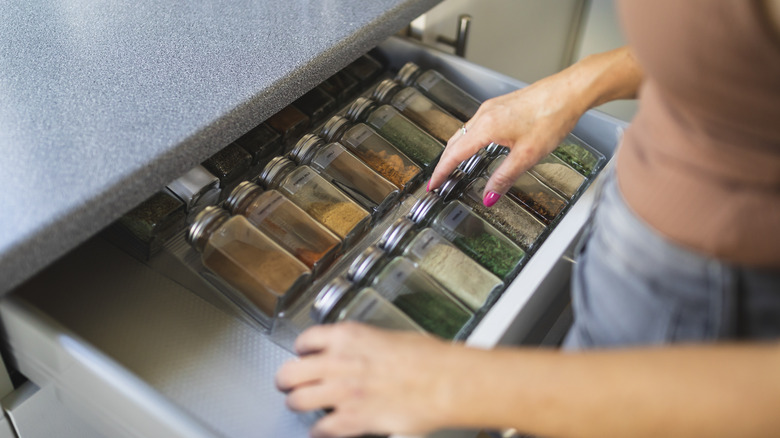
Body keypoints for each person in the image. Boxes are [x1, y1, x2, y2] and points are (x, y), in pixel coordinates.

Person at [275, 1, 780, 436]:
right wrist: (574, 86)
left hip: (715, 314)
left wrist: (461, 383)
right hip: (644, 263)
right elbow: (728, 50)